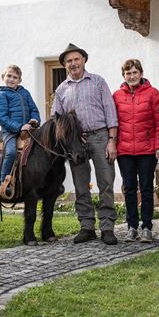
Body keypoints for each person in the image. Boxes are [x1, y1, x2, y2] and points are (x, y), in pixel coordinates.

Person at [51, 43, 119, 245]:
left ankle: (107, 227)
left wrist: (111, 141)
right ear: (65, 65)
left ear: (84, 60)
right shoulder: (62, 89)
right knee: (81, 186)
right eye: (69, 61)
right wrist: (70, 138)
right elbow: (57, 120)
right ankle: (87, 227)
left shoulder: (98, 82)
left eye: (76, 59)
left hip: (100, 137)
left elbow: (111, 112)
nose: (73, 64)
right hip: (76, 143)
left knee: (106, 183)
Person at [113, 59, 159, 243]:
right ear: (124, 76)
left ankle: (147, 227)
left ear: (141, 74)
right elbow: (114, 123)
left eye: (135, 72)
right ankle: (132, 227)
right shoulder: (117, 96)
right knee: (129, 189)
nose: (132, 76)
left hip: (147, 150)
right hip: (125, 150)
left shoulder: (153, 93)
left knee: (146, 188)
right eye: (128, 73)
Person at [0, 64, 40, 199]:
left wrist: (35, 120)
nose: (11, 79)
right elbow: (2, 117)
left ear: (19, 80)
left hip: (28, 129)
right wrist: (19, 127)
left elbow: (34, 110)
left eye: (15, 77)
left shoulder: (25, 93)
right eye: (9, 76)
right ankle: (3, 184)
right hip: (10, 131)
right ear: (3, 77)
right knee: (11, 152)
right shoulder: (2, 95)